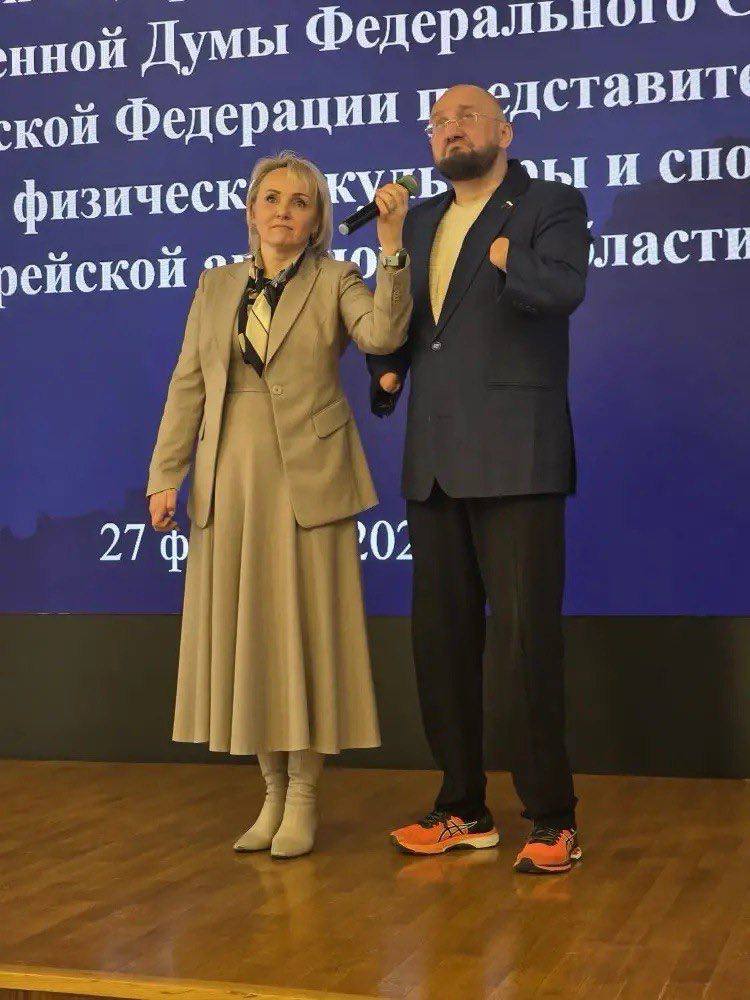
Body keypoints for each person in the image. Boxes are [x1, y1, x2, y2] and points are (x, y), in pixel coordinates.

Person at [147, 151, 411, 859]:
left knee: (306, 635)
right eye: (271, 198)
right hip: (229, 478)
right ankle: (269, 791)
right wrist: (166, 473)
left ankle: (303, 797)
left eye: (300, 201)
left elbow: (383, 335)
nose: (284, 211)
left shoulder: (336, 278)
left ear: (318, 219)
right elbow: (187, 384)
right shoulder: (215, 286)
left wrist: (391, 249)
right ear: (250, 210)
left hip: (308, 481)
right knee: (250, 638)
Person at [367, 85, 590, 874]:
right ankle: (463, 807)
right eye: (438, 122)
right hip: (434, 460)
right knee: (441, 645)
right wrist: (387, 367)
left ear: (505, 131)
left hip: (517, 456)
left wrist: (507, 257)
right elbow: (411, 321)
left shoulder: (549, 203)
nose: (450, 129)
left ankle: (552, 819)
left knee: (526, 646)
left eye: (466, 117)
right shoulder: (420, 219)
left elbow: (563, 290)